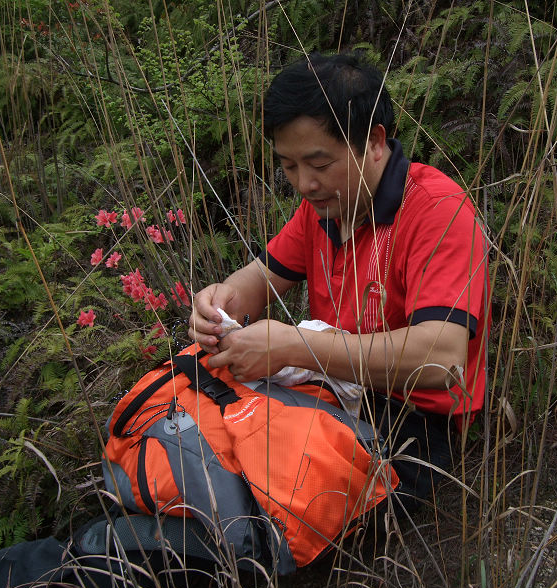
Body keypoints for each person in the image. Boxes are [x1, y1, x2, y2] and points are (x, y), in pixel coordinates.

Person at [188, 51, 488, 508]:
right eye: (288, 166)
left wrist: (293, 347)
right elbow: (256, 281)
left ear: (374, 142)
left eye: (320, 164)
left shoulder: (437, 210)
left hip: (411, 424)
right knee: (206, 446)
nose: (305, 184)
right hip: (329, 391)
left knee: (250, 496)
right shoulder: (325, 210)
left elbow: (443, 361)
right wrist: (217, 308)